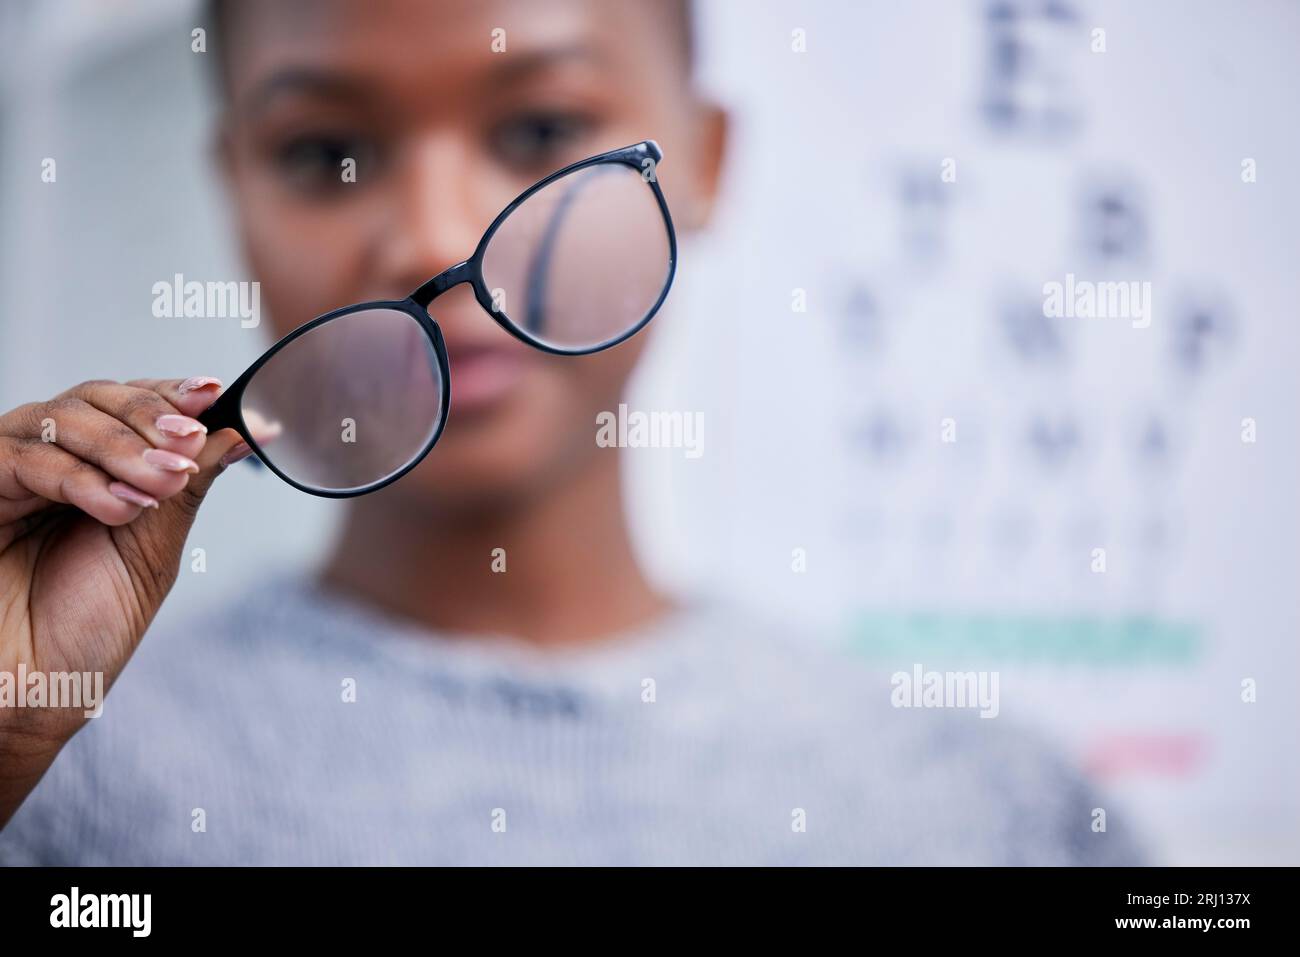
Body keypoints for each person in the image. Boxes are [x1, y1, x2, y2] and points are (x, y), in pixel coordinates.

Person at [0, 0, 1140, 865]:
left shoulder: (996, 813)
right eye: (325, 155)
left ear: (701, 161)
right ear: (236, 197)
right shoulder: (64, 779)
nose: (431, 236)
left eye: (541, 127)